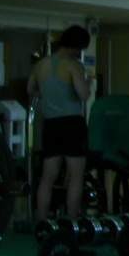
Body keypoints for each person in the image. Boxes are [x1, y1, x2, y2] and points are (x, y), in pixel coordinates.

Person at [28, 25, 92, 221]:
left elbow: (30, 90)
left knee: (47, 177)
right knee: (76, 176)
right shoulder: (73, 65)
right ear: (76, 46)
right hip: (72, 124)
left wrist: (48, 96)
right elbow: (83, 95)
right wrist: (88, 83)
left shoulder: (41, 65)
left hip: (51, 125)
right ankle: (72, 221)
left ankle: (41, 221)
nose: (80, 52)